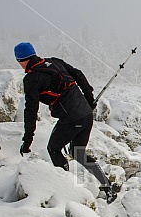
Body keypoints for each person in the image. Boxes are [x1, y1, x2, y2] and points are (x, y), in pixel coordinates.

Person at [14, 42, 119, 204]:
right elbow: (78, 74)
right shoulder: (55, 62)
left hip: (71, 118)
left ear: (21, 60)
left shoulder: (31, 79)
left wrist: (27, 141)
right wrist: (89, 100)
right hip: (85, 114)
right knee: (78, 153)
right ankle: (107, 186)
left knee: (53, 149)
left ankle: (65, 191)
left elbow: (30, 111)